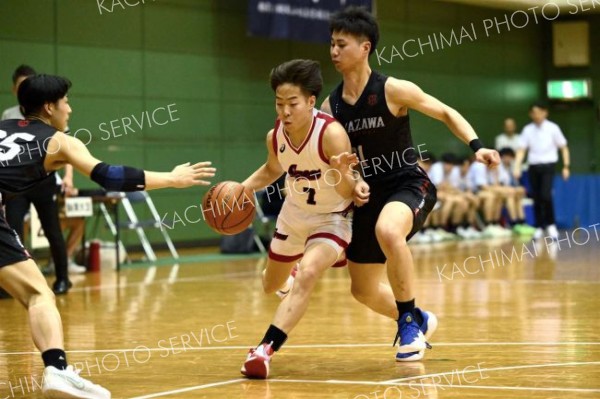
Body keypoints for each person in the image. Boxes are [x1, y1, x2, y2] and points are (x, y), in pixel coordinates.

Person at [0, 74, 215, 398]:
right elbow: (111, 176)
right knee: (37, 295)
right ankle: (57, 371)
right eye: (65, 102)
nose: (69, 109)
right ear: (49, 107)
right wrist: (171, 178)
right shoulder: (59, 141)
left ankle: (58, 369)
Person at [321, 6, 500, 361]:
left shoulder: (393, 90)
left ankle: (407, 324)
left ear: (365, 47)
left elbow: (445, 111)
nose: (334, 52)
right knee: (363, 289)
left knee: (390, 231)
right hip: (366, 195)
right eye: (331, 44)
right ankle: (418, 318)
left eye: (341, 44)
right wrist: (349, 180)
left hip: (408, 184)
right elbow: (333, 162)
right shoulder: (332, 107)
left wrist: (477, 147)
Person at [240, 59, 357, 379]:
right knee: (270, 285)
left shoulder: (331, 133)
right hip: (293, 217)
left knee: (308, 273)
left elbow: (349, 187)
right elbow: (272, 170)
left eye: (292, 104)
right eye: (279, 104)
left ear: (310, 101)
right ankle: (286, 277)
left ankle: (264, 350)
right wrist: (241, 189)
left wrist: (345, 173)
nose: (285, 111)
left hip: (331, 220)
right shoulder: (275, 134)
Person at [1, 64, 81, 295]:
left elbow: (68, 151)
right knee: (12, 228)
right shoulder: (8, 116)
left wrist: (68, 177)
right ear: (14, 89)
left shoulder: (54, 115)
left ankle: (63, 278)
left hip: (43, 180)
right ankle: (14, 283)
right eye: (20, 86)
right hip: (15, 185)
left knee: (52, 230)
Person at [514, 102, 570, 240]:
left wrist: (566, 166)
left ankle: (551, 225)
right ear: (531, 114)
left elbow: (563, 147)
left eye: (539, 112)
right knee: (536, 197)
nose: (537, 115)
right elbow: (522, 150)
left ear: (545, 112)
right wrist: (516, 166)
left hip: (548, 166)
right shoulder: (527, 130)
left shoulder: (553, 128)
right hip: (533, 167)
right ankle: (539, 226)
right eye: (534, 112)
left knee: (546, 195)